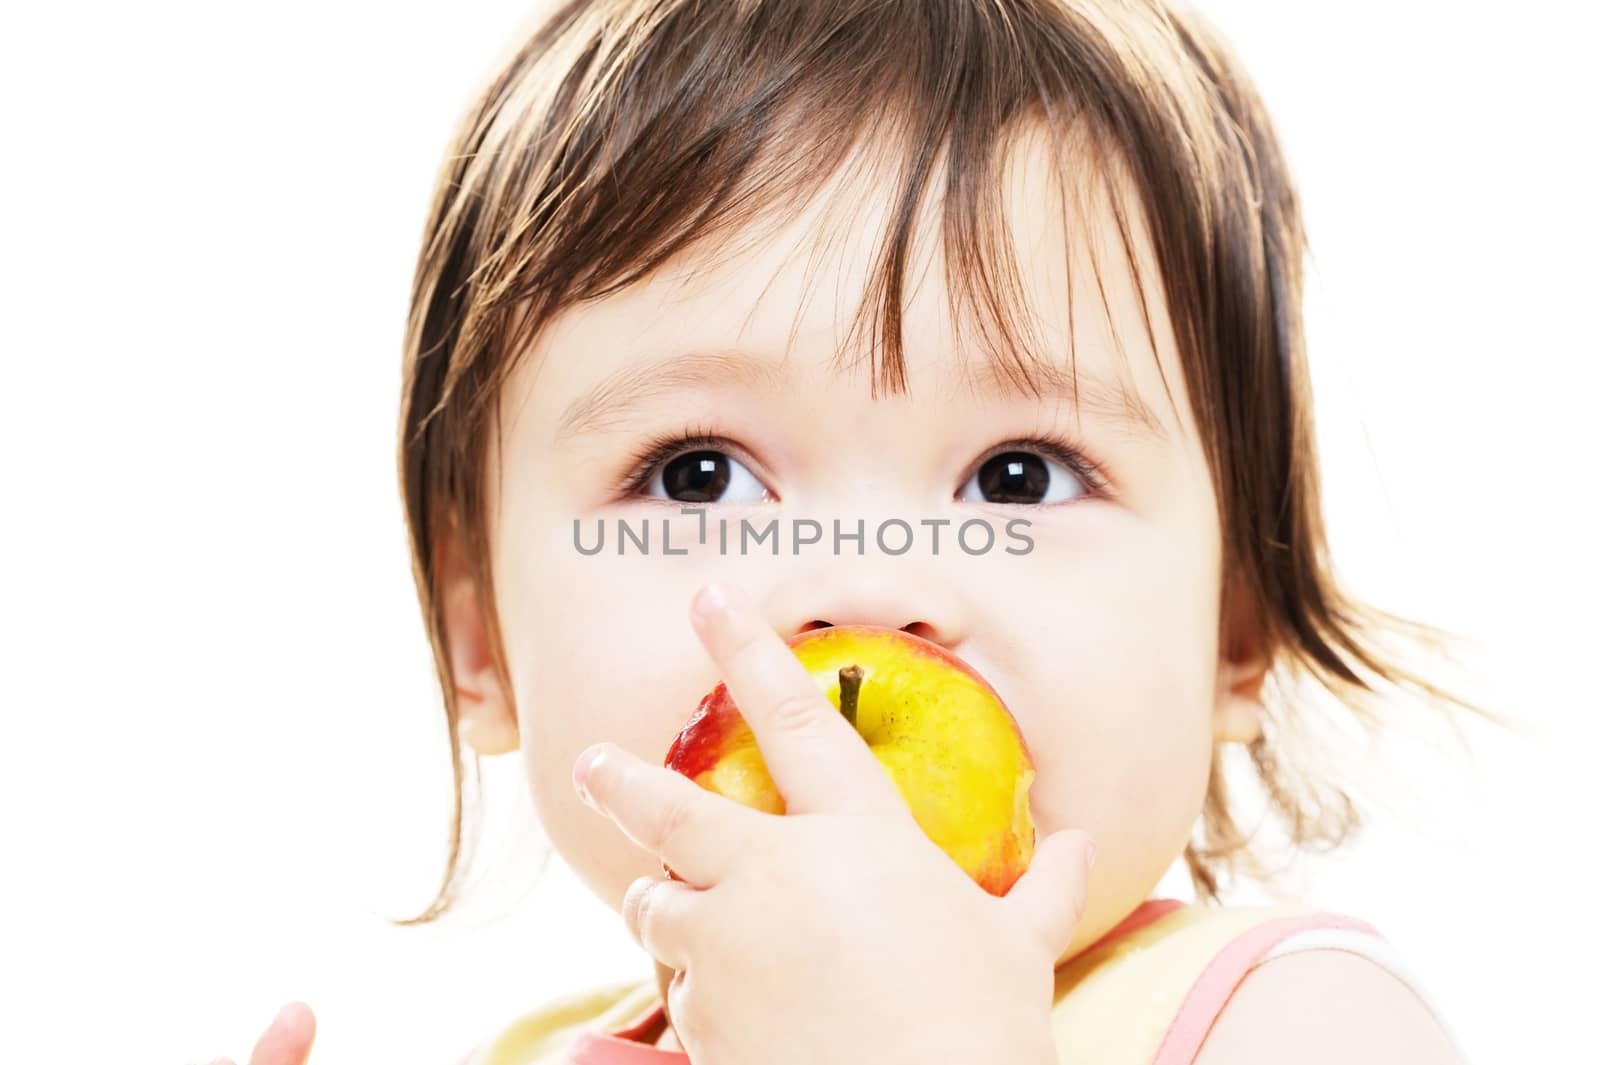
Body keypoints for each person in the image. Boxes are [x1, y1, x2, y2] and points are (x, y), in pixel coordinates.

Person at [211, 1, 1496, 1062]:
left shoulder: (1291, 1022)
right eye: (699, 476)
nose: (869, 593)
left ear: (1236, 623)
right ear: (478, 638)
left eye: (1019, 477)